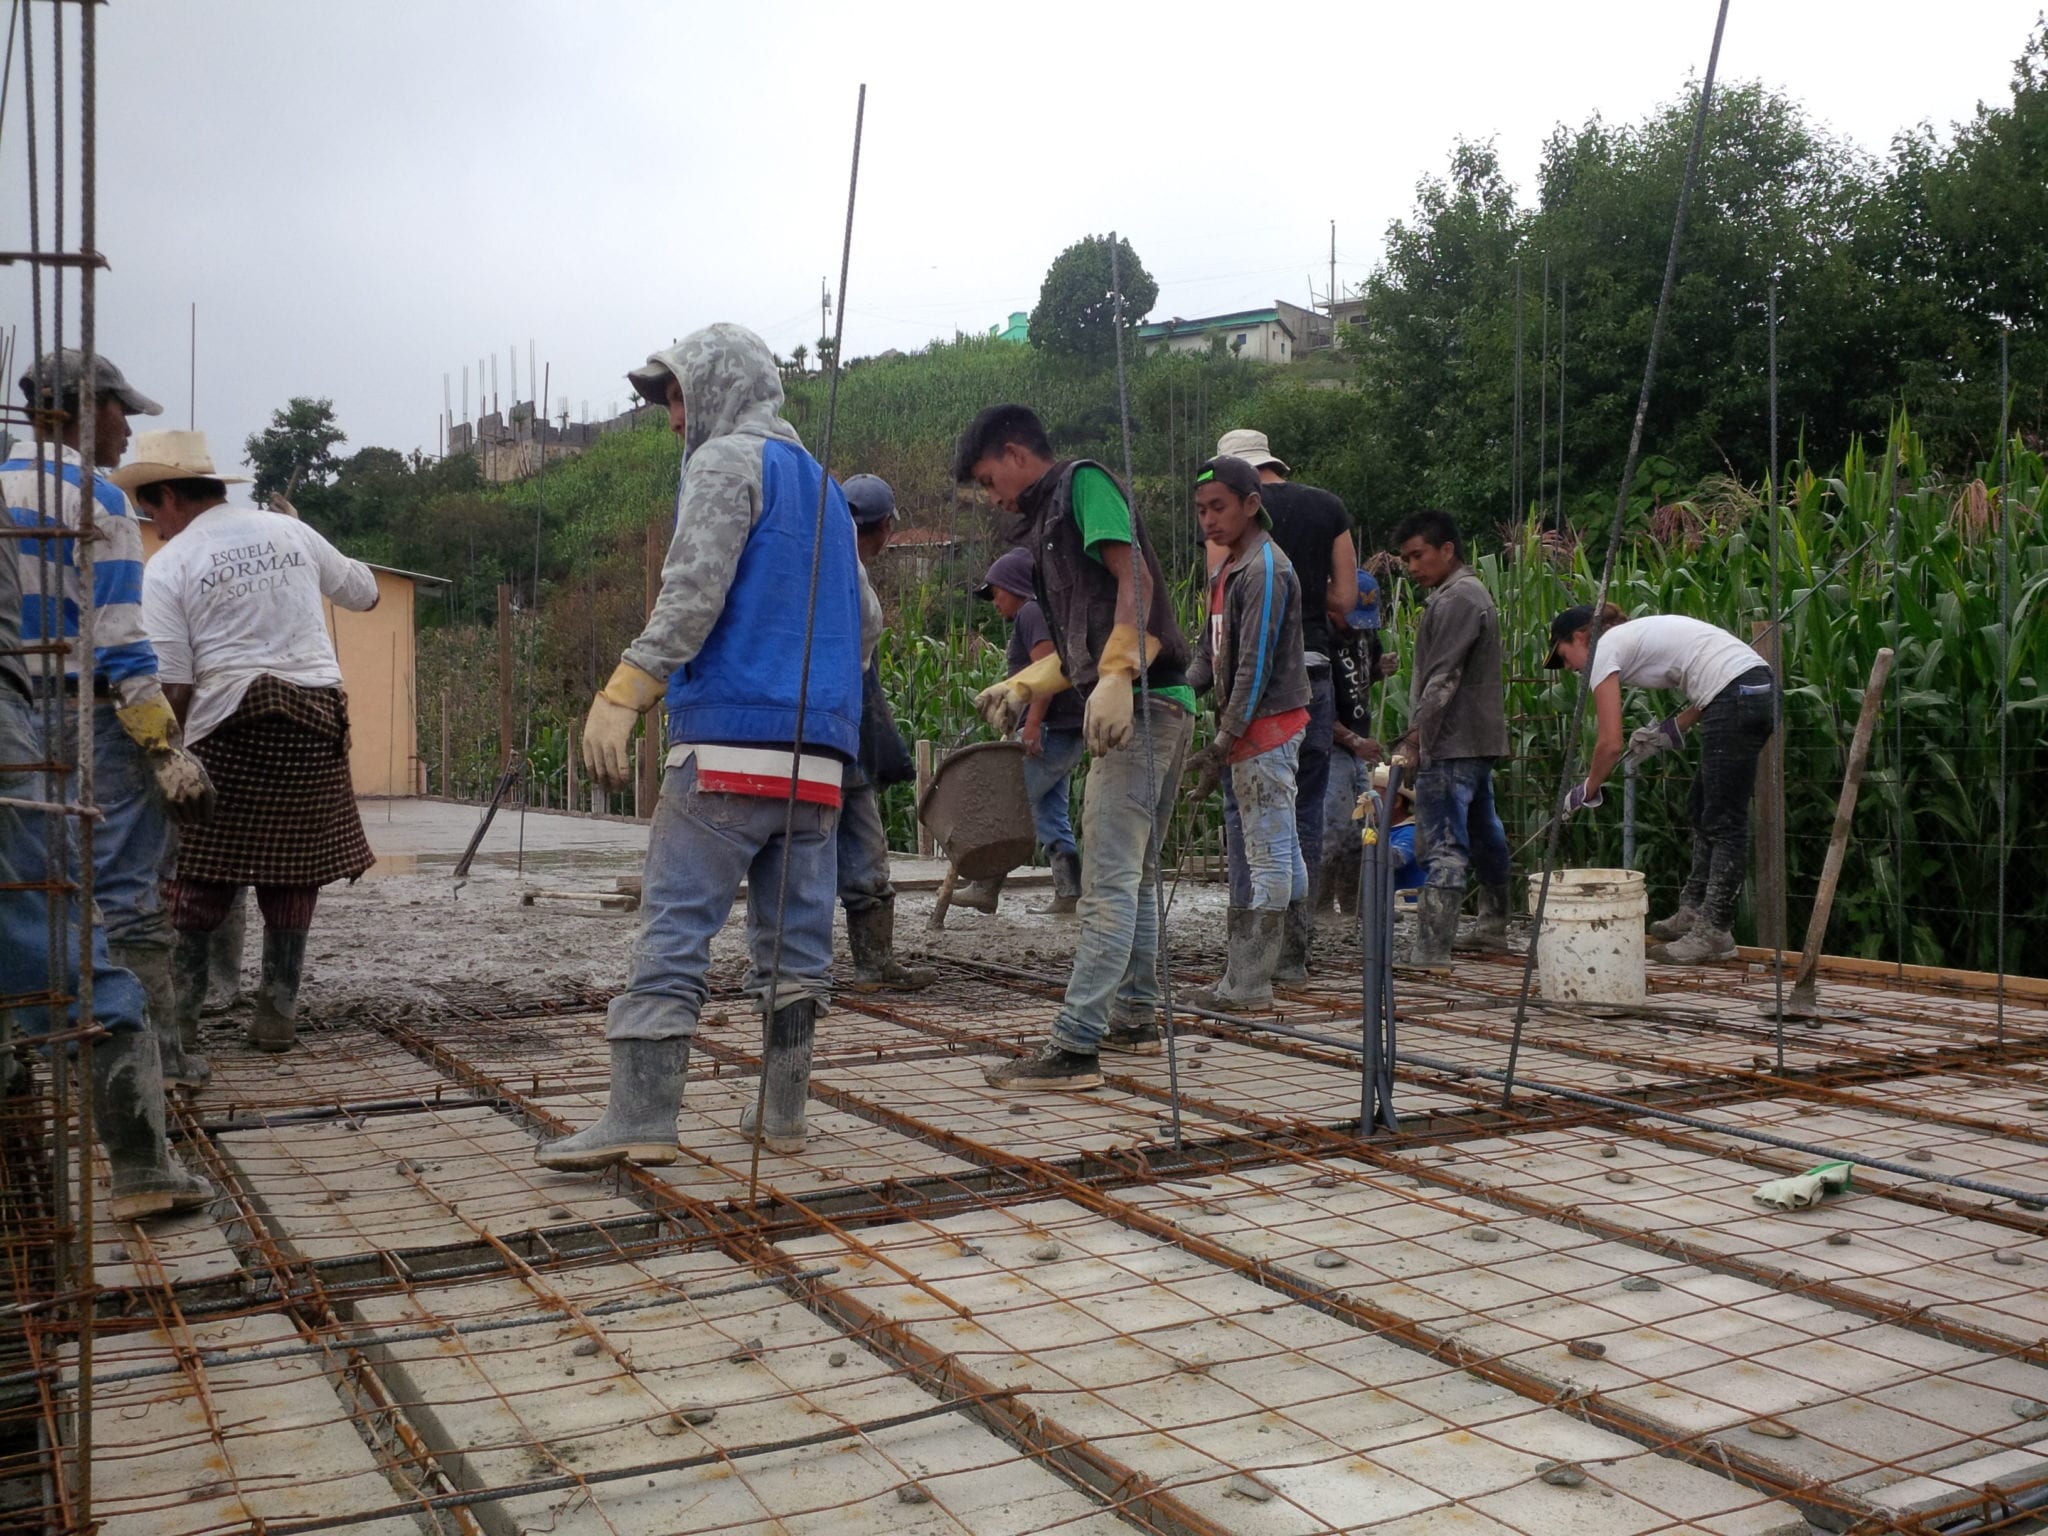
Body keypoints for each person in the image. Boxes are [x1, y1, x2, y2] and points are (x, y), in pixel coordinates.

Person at [542, 324, 874, 1167]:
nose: (671, 419)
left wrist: (626, 689)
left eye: (677, 395)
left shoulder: (726, 463)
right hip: (820, 763)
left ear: (717, 387)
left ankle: (643, 1119)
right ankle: (783, 1115)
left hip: (728, 748)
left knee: (677, 925)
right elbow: (867, 621)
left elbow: (692, 593)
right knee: (795, 943)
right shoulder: (830, 491)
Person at [1, 393, 213, 1222]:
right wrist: (160, 739)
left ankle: (24, 1070)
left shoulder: (5, 486)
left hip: (20, 701)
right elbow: (122, 631)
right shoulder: (99, 498)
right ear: (79, 411)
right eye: (119, 414)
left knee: (22, 896)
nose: (125, 431)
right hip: (78, 712)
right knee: (113, 897)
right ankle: (147, 1117)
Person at [954, 404, 1192, 1089]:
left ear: (1014, 452)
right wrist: (1024, 685)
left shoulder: (1082, 485)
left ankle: (1076, 1047)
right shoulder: (1047, 526)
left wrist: (1117, 677)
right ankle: (1136, 1018)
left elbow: (1136, 579)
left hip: (1144, 703)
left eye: (986, 476)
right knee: (1136, 874)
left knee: (1109, 880)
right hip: (1159, 702)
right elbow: (1080, 640)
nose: (989, 493)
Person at [126, 431, 380, 1054]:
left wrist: (165, 757)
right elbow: (366, 593)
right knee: (294, 873)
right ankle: (276, 1015)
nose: (152, 525)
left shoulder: (170, 565)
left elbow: (176, 684)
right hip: (317, 718)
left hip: (229, 725)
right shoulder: (290, 531)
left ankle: (181, 1024)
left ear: (169, 495)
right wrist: (306, 535)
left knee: (204, 875)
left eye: (150, 510)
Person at [1546, 603, 1778, 964]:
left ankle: (1714, 930)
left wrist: (1586, 790)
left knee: (1723, 820)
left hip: (1738, 695)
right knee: (1701, 807)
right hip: (1745, 690)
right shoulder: (1631, 638)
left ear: (1579, 637)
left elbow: (1609, 743)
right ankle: (1694, 912)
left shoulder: (1604, 648)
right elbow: (1716, 680)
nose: (1570, 668)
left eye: (1563, 656)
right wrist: (1667, 733)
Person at [1213, 428, 1356, 981]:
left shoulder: (1236, 526)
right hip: (1315, 679)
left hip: (1261, 698)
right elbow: (1345, 599)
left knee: (1247, 820)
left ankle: (1247, 968)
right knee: (1302, 818)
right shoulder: (1328, 507)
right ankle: (1293, 957)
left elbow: (1220, 606)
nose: (1210, 519)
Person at [1180, 456, 1310, 1010]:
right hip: (1257, 728)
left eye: (1219, 508)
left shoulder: (1265, 571)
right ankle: (1288, 964)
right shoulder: (1230, 568)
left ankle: (1249, 983)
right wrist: (1177, 697)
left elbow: (1253, 667)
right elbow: (1213, 655)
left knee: (1268, 856)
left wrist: (1223, 740)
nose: (1208, 520)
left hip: (1266, 729)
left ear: (1251, 505)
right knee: (1285, 850)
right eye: (1201, 510)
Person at [1389, 509, 1510, 972]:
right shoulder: (1468, 594)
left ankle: (1431, 950)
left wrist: (1416, 738)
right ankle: (1492, 927)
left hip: (1452, 739)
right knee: (1484, 833)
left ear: (1447, 550)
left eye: (1418, 556)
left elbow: (1444, 677)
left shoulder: (1456, 599)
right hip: (1478, 739)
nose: (1412, 567)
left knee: (1442, 842)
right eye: (1406, 559)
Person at [835, 473, 935, 991]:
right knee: (827, 851)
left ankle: (870, 964)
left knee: (858, 850)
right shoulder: (841, 573)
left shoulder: (838, 566)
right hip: (831, 733)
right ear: (887, 527)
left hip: (839, 736)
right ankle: (859, 965)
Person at [965, 546, 1085, 916]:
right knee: (1050, 813)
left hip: (1048, 728)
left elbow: (1048, 669)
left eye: (997, 592)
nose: (995, 602)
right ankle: (1068, 893)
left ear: (1015, 586)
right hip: (1063, 730)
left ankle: (985, 886)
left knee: (1008, 803)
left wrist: (1031, 725)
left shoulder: (1032, 612)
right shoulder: (1039, 612)